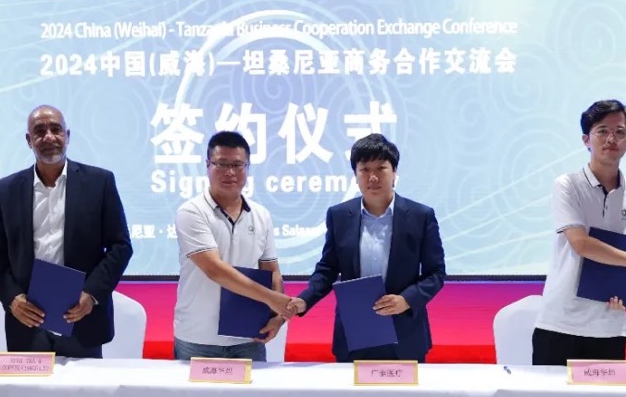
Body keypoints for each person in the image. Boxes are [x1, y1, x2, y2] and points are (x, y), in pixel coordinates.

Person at [0, 105, 133, 358]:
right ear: (29, 140)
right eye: (39, 131)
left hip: (80, 315)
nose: (49, 137)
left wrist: (91, 295)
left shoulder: (99, 182)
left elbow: (120, 246)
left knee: (83, 385)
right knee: (29, 386)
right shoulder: (4, 190)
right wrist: (13, 299)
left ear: (67, 135)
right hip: (28, 317)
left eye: (56, 129)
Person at [532, 100, 626, 365]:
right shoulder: (567, 185)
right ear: (586, 139)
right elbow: (581, 244)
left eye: (620, 132)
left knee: (606, 394)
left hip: (609, 324)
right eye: (602, 131)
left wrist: (625, 288)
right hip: (560, 322)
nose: (611, 139)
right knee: (550, 394)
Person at [289, 133, 446, 363]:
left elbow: (436, 273)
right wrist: (305, 299)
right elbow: (328, 269)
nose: (373, 177)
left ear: (394, 172)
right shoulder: (339, 216)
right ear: (355, 175)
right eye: (364, 170)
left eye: (381, 168)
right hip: (354, 333)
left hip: (405, 333)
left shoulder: (420, 216)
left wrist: (406, 300)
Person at [172, 131, 296, 361]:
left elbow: (272, 271)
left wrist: (277, 316)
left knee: (254, 388)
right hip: (198, 338)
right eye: (221, 164)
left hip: (248, 338)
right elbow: (215, 270)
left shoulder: (261, 214)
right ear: (208, 165)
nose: (230, 172)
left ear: (247, 167)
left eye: (237, 165)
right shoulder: (191, 212)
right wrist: (271, 298)